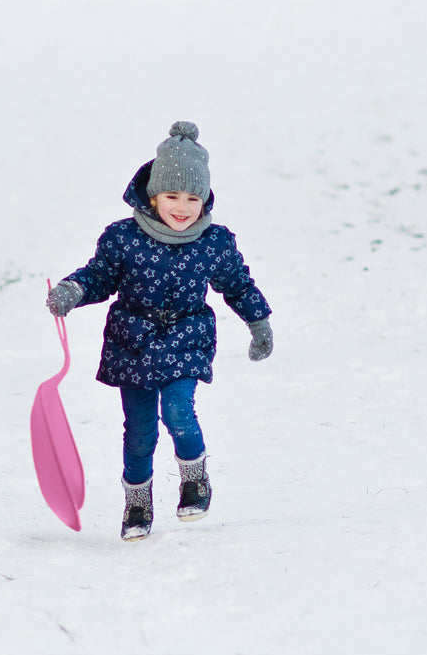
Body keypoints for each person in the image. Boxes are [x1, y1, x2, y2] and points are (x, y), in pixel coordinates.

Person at [46, 122, 273, 541]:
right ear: (152, 195)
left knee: (179, 412)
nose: (182, 207)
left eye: (193, 197)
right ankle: (138, 503)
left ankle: (195, 479)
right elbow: (100, 276)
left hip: (186, 335)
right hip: (132, 342)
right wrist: (73, 289)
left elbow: (237, 284)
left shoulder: (213, 242)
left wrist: (258, 324)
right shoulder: (123, 238)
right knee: (139, 433)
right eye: (172, 196)